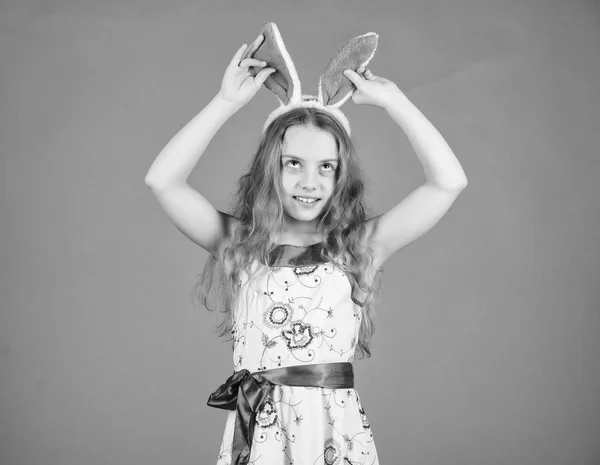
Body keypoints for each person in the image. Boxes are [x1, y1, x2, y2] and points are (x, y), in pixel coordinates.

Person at [145, 25, 467, 465]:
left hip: (335, 434)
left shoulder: (359, 248)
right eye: (292, 163)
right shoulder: (239, 244)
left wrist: (396, 102)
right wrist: (224, 104)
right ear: (268, 170)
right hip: (260, 432)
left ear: (341, 176)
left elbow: (449, 183)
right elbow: (162, 181)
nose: (309, 182)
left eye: (326, 167)